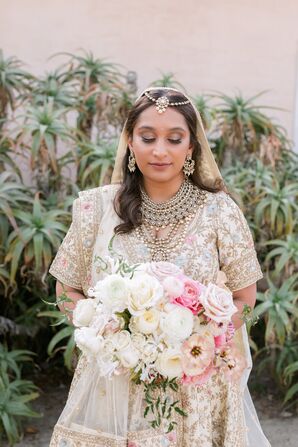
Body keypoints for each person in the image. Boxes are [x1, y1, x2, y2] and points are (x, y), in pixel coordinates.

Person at [48, 87, 271, 446]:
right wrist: (109, 332)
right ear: (131, 142)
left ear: (191, 147)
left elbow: (245, 297)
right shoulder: (96, 208)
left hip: (198, 391)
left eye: (174, 138)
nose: (160, 150)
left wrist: (205, 338)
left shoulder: (220, 211)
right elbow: (65, 290)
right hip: (114, 386)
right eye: (147, 137)